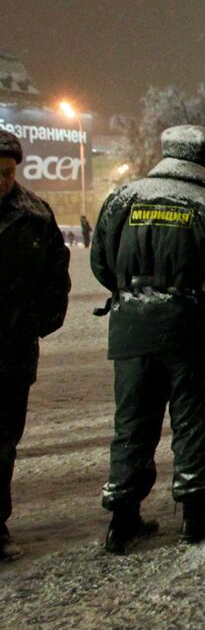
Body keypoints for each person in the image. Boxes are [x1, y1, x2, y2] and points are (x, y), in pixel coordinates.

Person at [91, 125, 205, 554]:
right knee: (194, 422)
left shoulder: (123, 199)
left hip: (132, 329)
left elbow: (101, 261)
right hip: (189, 332)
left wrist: (135, 293)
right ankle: (195, 517)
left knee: (132, 424)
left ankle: (122, 520)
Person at [0, 130, 70, 562]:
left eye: (7, 173)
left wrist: (33, 325)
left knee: (3, 444)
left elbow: (54, 280)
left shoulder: (36, 216)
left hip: (12, 354)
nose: (1, 182)